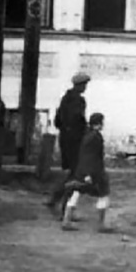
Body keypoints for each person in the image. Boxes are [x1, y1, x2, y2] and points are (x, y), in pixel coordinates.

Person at [46, 72, 90, 212]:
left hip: (65, 139)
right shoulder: (79, 101)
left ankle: (55, 200)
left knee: (70, 172)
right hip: (75, 141)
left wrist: (66, 130)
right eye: (84, 85)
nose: (85, 88)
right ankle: (63, 206)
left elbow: (57, 121)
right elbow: (79, 120)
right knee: (75, 174)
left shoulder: (65, 99)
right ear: (80, 85)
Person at [62, 113, 111, 232]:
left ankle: (66, 220)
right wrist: (89, 174)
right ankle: (101, 224)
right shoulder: (96, 137)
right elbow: (92, 157)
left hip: (82, 170)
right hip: (94, 171)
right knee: (103, 194)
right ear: (98, 123)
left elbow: (84, 155)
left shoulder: (87, 135)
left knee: (76, 192)